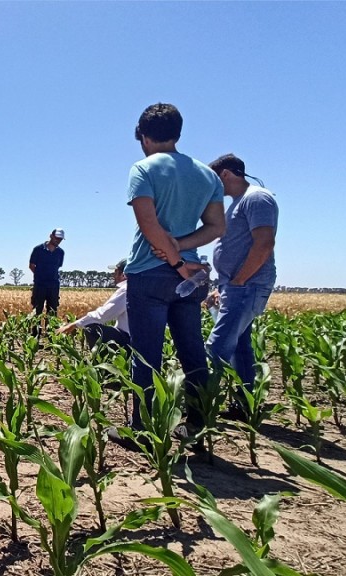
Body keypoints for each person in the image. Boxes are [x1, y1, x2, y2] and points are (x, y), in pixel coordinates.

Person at [120, 102, 225, 445]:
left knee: (146, 354)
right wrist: (182, 248)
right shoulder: (207, 175)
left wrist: (173, 258)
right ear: (178, 133)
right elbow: (216, 227)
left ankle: (144, 430)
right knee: (192, 350)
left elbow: (149, 227)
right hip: (191, 276)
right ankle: (198, 422)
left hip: (150, 274)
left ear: (144, 136)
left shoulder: (143, 168)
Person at [205, 154, 279, 418]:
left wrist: (238, 281)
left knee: (216, 348)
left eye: (214, 179)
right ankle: (245, 405)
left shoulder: (257, 198)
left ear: (225, 174)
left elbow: (264, 244)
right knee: (240, 347)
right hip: (236, 285)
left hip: (246, 285)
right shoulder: (239, 202)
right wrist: (224, 285)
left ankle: (198, 409)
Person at [57, 258, 130, 353]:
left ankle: (103, 363)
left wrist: (73, 325)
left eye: (116, 272)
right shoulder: (144, 287)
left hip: (131, 342)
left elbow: (103, 315)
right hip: (146, 342)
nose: (113, 276)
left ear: (124, 274)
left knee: (92, 329)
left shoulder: (126, 289)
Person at [29, 228, 66, 318]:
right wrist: (40, 275)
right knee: (37, 311)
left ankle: (50, 331)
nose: (58, 240)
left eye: (60, 239)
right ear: (51, 236)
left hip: (53, 286)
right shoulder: (38, 249)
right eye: (56, 238)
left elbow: (58, 266)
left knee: (52, 312)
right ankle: (35, 332)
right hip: (40, 285)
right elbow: (31, 265)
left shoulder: (60, 252)